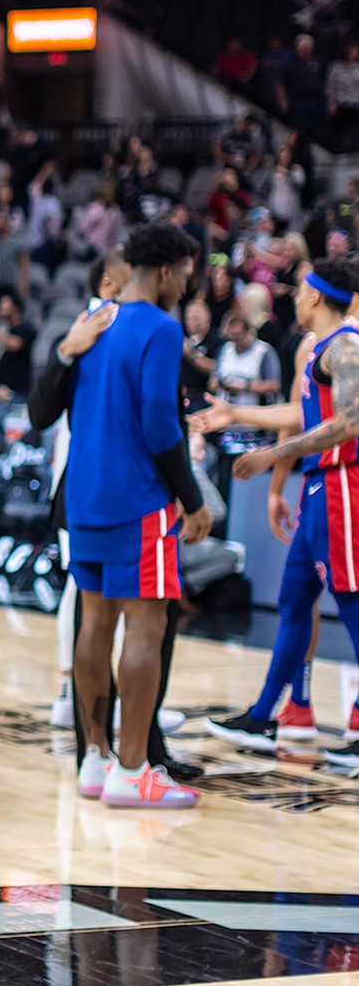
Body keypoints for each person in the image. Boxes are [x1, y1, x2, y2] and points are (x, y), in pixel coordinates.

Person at [63, 222, 212, 808]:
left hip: (85, 494)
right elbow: (158, 422)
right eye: (188, 274)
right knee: (146, 627)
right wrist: (192, 500)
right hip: (137, 498)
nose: (189, 286)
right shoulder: (160, 327)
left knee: (94, 625)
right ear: (168, 272)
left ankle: (95, 759)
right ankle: (133, 771)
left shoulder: (94, 322)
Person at [194, 256, 359, 768]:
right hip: (318, 488)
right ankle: (266, 713)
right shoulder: (321, 348)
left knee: (353, 606)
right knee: (293, 599)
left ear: (315, 295)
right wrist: (236, 413)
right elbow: (304, 412)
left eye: (301, 290)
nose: (294, 297)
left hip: (343, 487)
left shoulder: (347, 345)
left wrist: (274, 454)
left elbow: (351, 419)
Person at [212, 312, 283, 407]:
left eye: (238, 336)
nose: (235, 341)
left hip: (254, 409)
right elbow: (213, 381)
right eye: (232, 336)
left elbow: (275, 385)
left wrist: (246, 386)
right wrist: (219, 384)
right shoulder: (224, 349)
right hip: (226, 407)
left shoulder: (264, 351)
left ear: (248, 333)